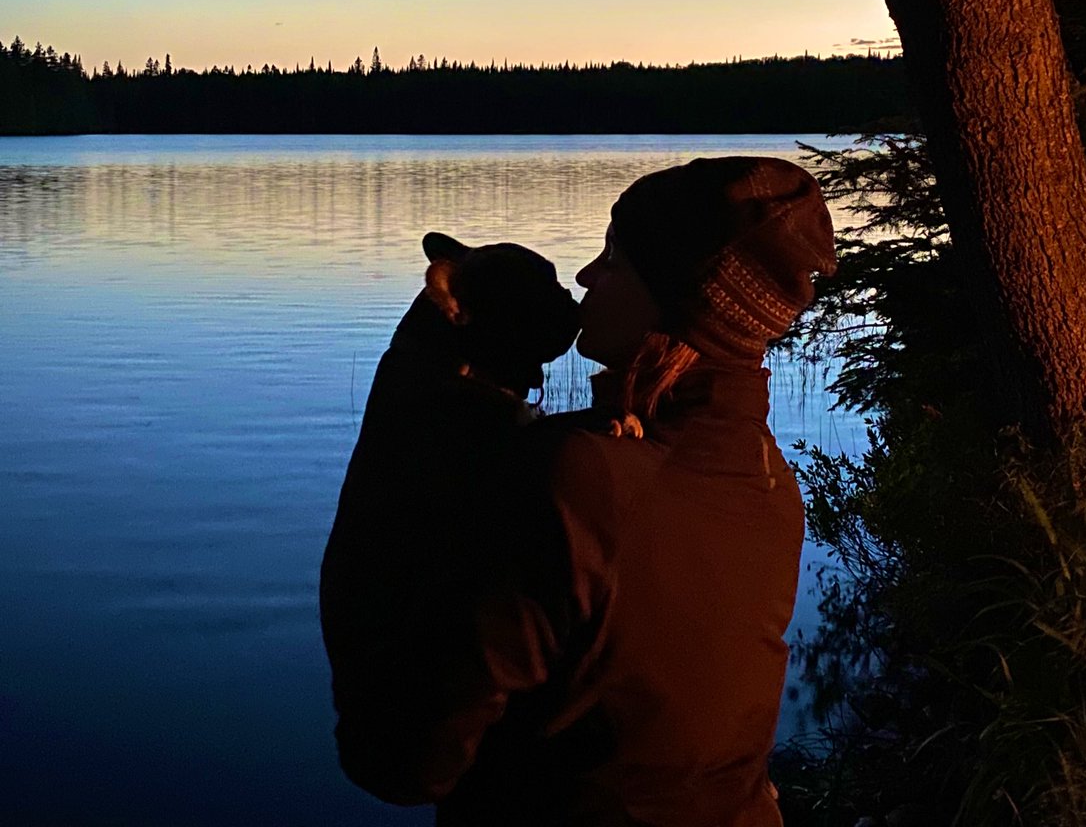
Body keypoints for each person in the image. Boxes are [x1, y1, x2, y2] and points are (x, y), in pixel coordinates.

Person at [324, 156, 836, 827]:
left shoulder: (581, 479)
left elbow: (399, 764)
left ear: (675, 300)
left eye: (613, 259)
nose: (587, 276)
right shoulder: (768, 481)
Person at [319, 231, 580, 801]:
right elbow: (496, 460)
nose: (569, 306)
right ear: (456, 309)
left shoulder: (425, 384)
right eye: (540, 298)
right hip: (403, 702)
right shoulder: (440, 412)